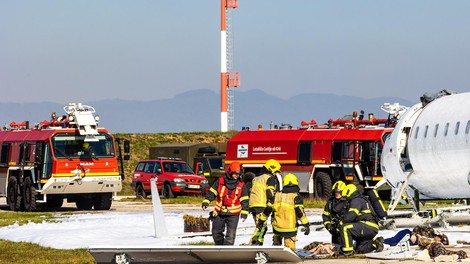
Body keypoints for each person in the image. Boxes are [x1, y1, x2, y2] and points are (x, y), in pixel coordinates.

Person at [256, 173, 309, 251]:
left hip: (277, 228)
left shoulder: (276, 195)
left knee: (276, 249)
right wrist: (306, 224)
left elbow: (268, 209)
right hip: (290, 229)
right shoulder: (296, 196)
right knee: (289, 251)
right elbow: (299, 212)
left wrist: (261, 220)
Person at [201, 161, 249, 245]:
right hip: (219, 212)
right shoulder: (220, 181)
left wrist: (244, 213)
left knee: (230, 236)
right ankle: (220, 248)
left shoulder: (241, 185)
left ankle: (227, 253)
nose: (236, 176)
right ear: (230, 172)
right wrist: (206, 202)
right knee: (216, 233)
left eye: (238, 174)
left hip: (233, 214)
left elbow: (245, 200)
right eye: (235, 174)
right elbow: (212, 192)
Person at [338, 183, 383, 255]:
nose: (346, 199)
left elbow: (351, 216)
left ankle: (347, 251)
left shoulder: (356, 200)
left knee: (345, 227)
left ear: (349, 192)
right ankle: (375, 243)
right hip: (371, 227)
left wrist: (341, 222)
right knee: (359, 249)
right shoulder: (362, 199)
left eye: (346, 197)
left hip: (367, 225)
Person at [248, 159, 282, 245]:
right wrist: (272, 202)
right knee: (261, 226)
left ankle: (258, 243)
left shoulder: (256, 178)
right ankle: (253, 244)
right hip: (261, 205)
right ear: (271, 169)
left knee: (261, 226)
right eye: (275, 171)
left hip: (253, 205)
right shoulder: (269, 178)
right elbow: (270, 192)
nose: (275, 174)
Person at [322, 180, 348, 245]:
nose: (337, 193)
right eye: (336, 192)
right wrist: (328, 226)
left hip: (345, 228)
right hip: (334, 229)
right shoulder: (330, 202)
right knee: (336, 247)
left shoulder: (348, 202)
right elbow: (325, 216)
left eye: (339, 192)